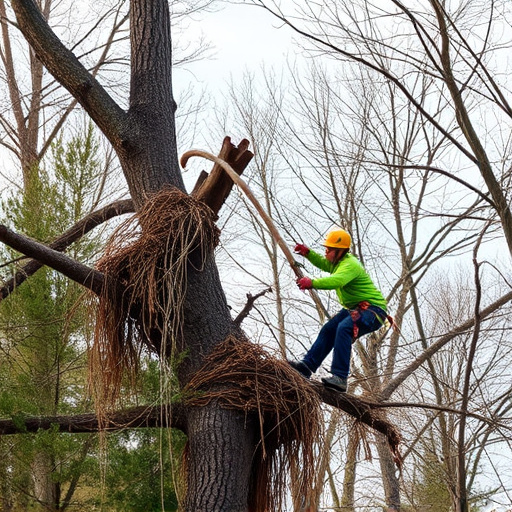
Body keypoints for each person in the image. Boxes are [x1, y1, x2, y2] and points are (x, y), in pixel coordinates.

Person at [290, 228, 388, 393]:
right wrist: (308, 253)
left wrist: (312, 282)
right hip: (354, 308)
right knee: (329, 330)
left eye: (328, 250)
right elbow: (324, 263)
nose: (326, 252)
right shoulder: (338, 262)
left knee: (344, 328)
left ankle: (340, 378)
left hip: (373, 311)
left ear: (340, 251)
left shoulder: (350, 265)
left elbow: (337, 280)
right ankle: (307, 366)